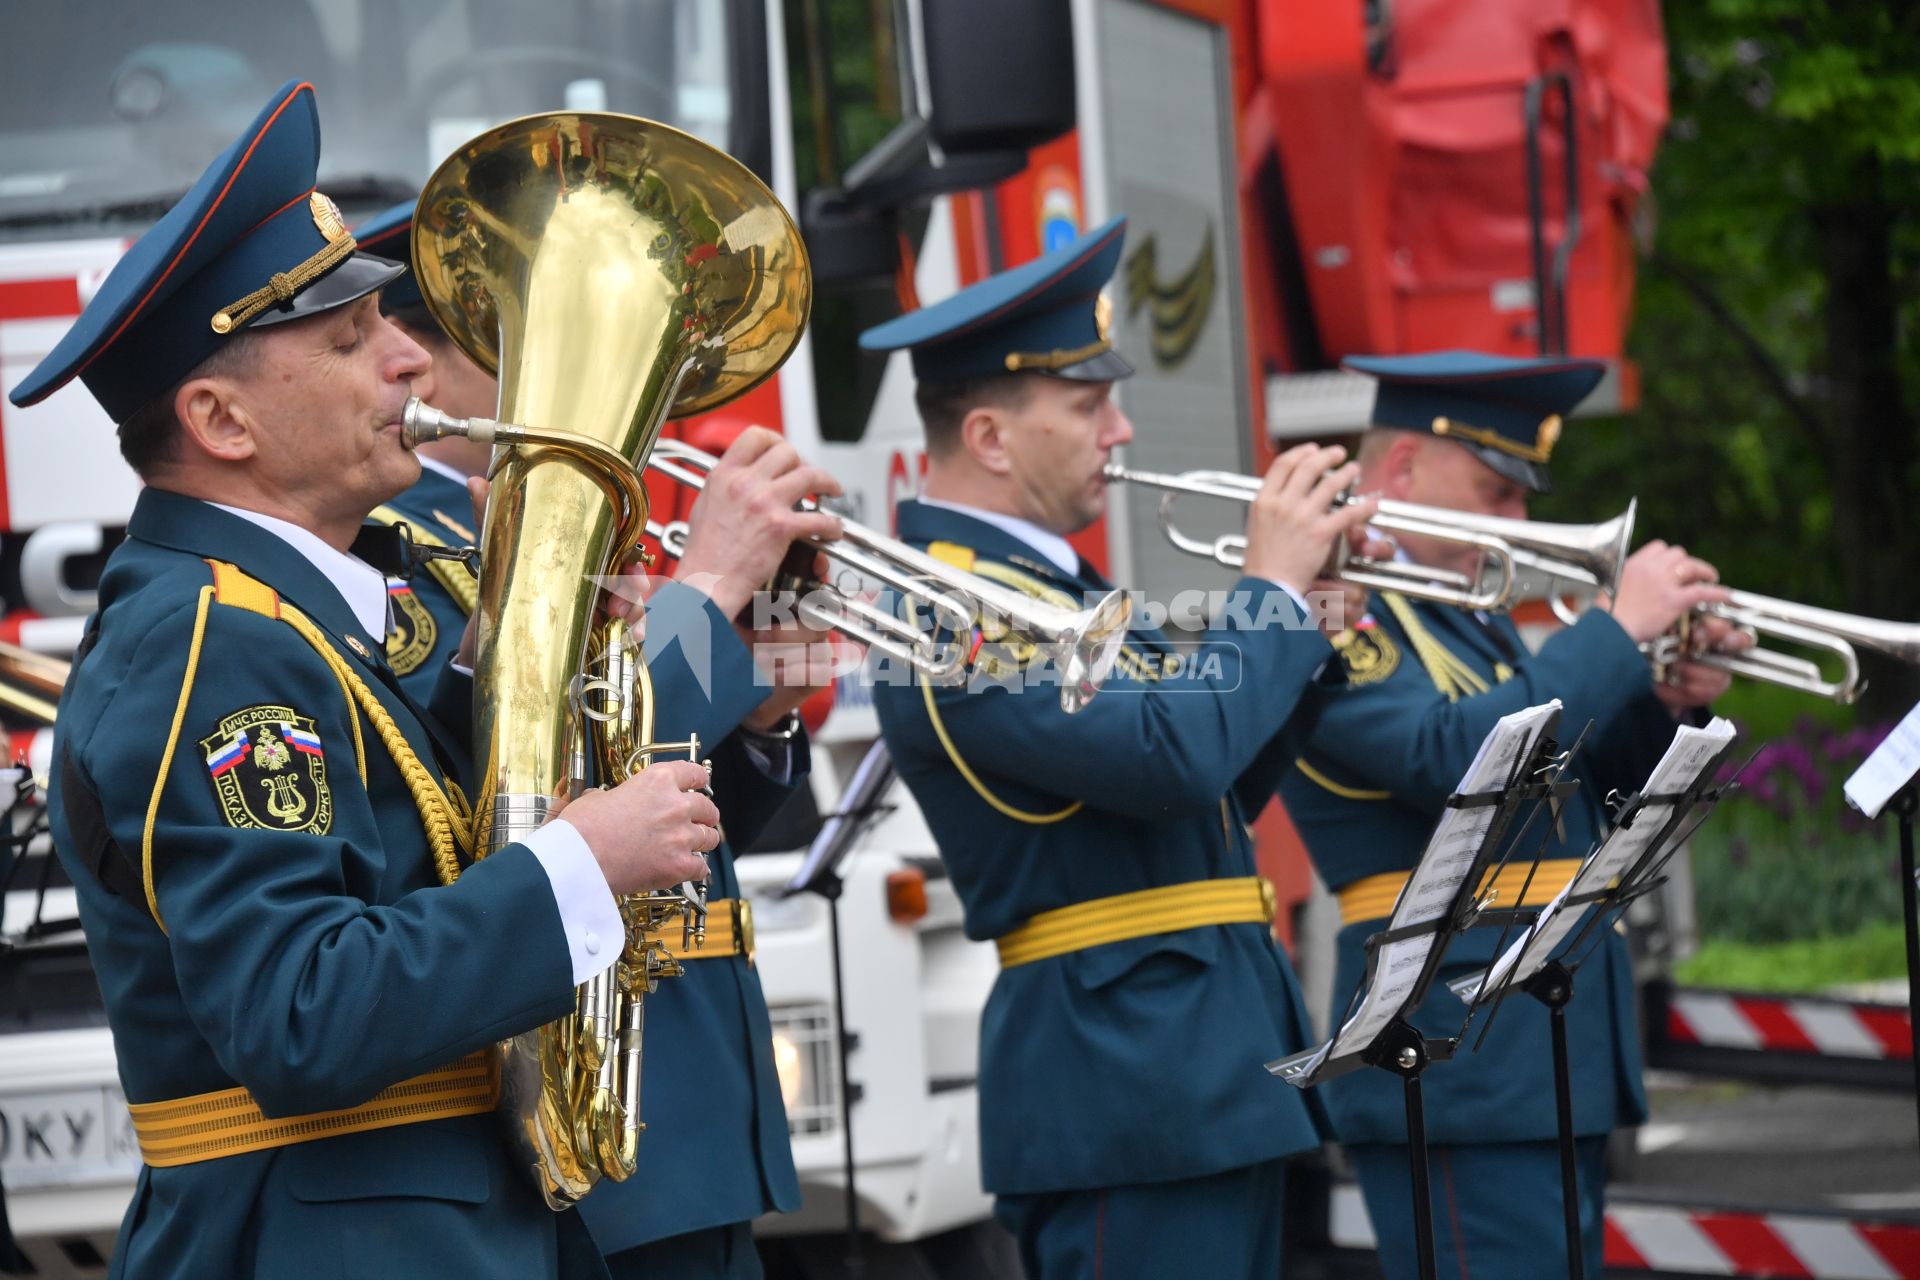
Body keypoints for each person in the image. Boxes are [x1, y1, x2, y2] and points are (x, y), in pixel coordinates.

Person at [6, 82, 724, 1280]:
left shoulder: (396, 572)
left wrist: (703, 711)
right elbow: (297, 1009)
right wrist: (579, 864)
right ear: (220, 419)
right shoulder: (204, 640)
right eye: (349, 341)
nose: (412, 357)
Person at [862, 217, 1381, 1277]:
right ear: (994, 438)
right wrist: (1270, 591)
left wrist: (1309, 627)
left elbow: (1214, 789)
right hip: (1125, 1082)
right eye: (1090, 405)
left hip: (1200, 1067)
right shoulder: (948, 614)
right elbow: (1170, 756)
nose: (1122, 431)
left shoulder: (1061, 593)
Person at [353, 201, 839, 1278]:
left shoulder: (523, 522)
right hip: (594, 1142)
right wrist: (708, 587)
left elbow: (649, 811)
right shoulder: (412, 553)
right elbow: (518, 799)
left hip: (691, 1109)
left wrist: (757, 708)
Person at [1277, 350, 1745, 1280]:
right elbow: (1447, 759)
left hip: (1540, 1040)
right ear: (1404, 470)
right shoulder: (1332, 606)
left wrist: (1668, 696)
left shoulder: (1474, 616)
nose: (1519, 524)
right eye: (1495, 493)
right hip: (1452, 1051)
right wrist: (1610, 635)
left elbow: (1580, 791)